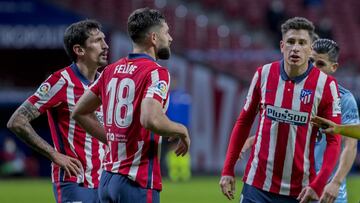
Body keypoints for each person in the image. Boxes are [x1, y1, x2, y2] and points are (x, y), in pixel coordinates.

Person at [71, 8, 190, 203]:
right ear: (153, 37)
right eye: (166, 32)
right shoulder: (156, 72)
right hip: (136, 181)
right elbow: (150, 119)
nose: (170, 39)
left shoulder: (110, 70)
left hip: (107, 179)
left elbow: (79, 111)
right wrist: (181, 130)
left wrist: (111, 139)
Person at [219, 17, 342, 203]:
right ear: (282, 46)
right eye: (291, 42)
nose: (296, 48)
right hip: (257, 186)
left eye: (302, 43)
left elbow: (334, 141)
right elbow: (244, 121)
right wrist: (228, 170)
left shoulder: (326, 85)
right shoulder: (264, 74)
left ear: (310, 50)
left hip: (301, 192)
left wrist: (318, 184)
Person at [7, 19, 108, 203]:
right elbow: (17, 120)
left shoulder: (106, 82)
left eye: (104, 39)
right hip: (74, 182)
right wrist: (54, 155)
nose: (105, 45)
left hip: (105, 182)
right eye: (97, 41)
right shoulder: (60, 81)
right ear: (79, 50)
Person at [311, 39, 359, 203]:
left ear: (333, 67)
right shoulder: (292, 92)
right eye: (311, 61)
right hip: (292, 185)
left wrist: (336, 182)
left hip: (327, 188)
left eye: (320, 64)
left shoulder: (345, 99)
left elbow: (351, 144)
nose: (313, 68)